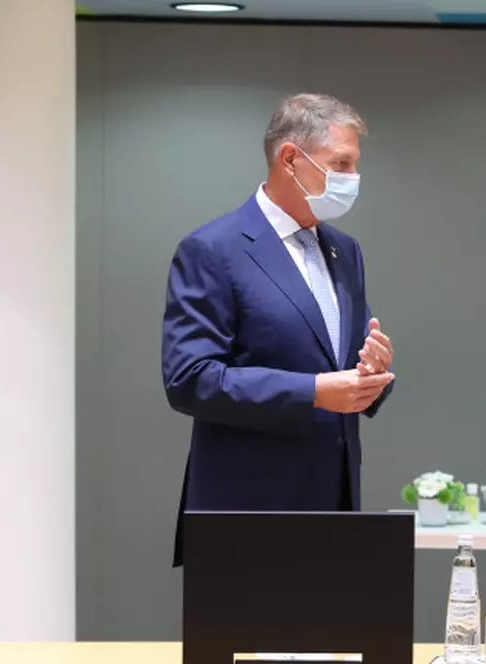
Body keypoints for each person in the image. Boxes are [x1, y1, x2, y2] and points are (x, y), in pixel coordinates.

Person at [161, 93, 395, 566]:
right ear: (291, 159)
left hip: (334, 506)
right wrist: (312, 391)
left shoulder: (343, 251)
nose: (351, 178)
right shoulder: (214, 249)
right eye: (341, 163)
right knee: (245, 642)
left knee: (332, 642)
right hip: (247, 510)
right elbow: (189, 379)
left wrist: (373, 372)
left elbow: (340, 364)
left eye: (354, 164)